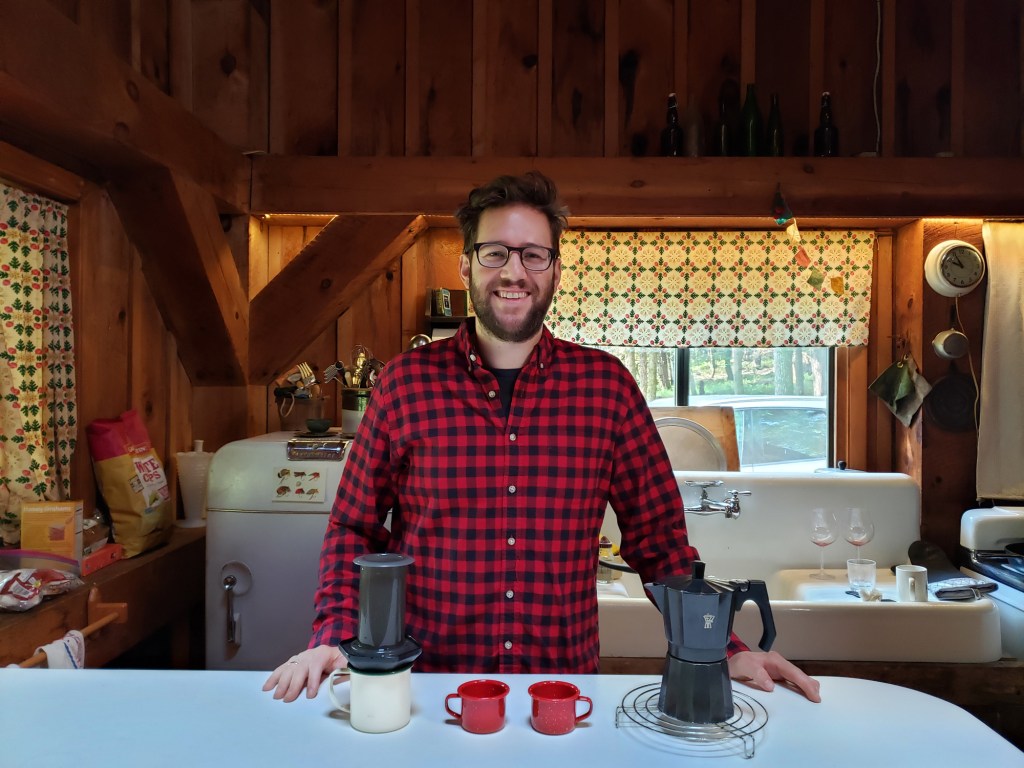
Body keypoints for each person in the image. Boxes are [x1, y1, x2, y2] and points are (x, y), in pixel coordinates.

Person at [264, 171, 821, 705]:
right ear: (465, 265)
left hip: (559, 699)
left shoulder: (608, 390)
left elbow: (660, 545)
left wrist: (723, 648)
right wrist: (335, 635)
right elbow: (354, 529)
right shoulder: (404, 387)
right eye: (495, 252)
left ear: (555, 271)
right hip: (428, 694)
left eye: (533, 254)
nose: (514, 271)